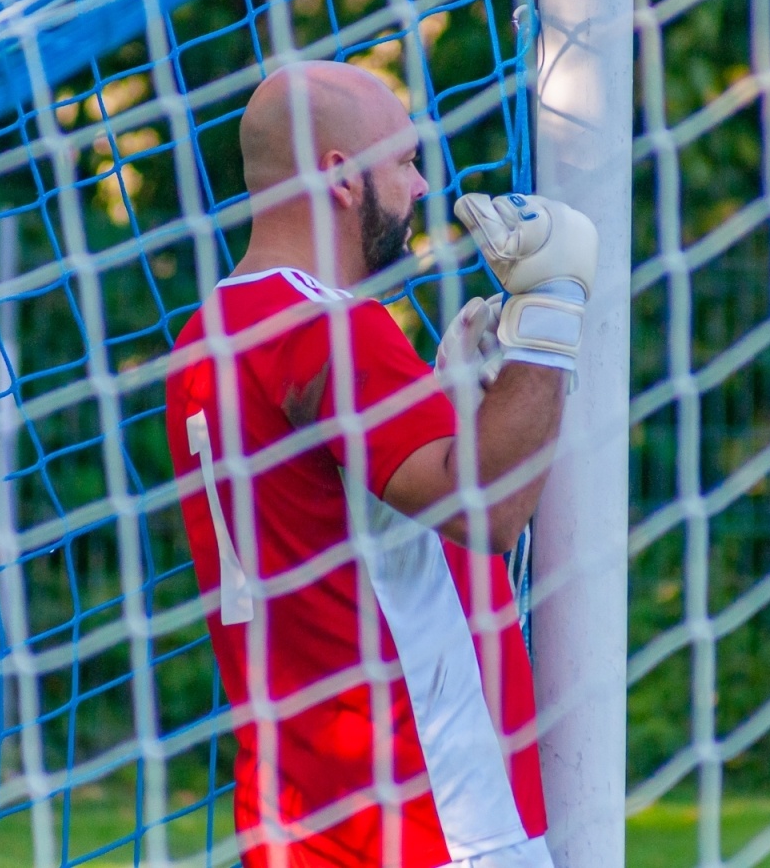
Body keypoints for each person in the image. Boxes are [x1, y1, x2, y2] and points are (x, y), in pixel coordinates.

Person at [163, 61, 598, 868]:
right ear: (340, 177)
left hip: (300, 823)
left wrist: (450, 407)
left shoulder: (206, 337)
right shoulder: (325, 326)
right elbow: (488, 511)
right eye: (403, 162)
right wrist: (552, 308)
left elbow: (335, 517)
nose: (422, 186)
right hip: (432, 819)